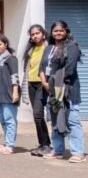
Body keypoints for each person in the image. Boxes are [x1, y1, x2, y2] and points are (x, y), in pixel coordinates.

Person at [43, 20, 84, 163]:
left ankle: (78, 152)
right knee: (55, 119)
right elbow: (43, 67)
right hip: (53, 90)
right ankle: (58, 150)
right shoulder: (49, 48)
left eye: (61, 30)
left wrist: (54, 81)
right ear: (51, 33)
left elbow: (70, 69)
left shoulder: (71, 47)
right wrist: (45, 82)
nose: (58, 33)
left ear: (66, 31)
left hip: (69, 89)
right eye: (55, 31)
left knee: (72, 120)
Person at [22, 24, 53, 157]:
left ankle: (46, 144)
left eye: (37, 33)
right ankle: (42, 144)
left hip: (43, 84)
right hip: (31, 83)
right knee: (37, 115)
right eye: (32, 34)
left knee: (38, 114)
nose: (35, 36)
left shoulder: (49, 48)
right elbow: (28, 68)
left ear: (43, 34)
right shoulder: (32, 49)